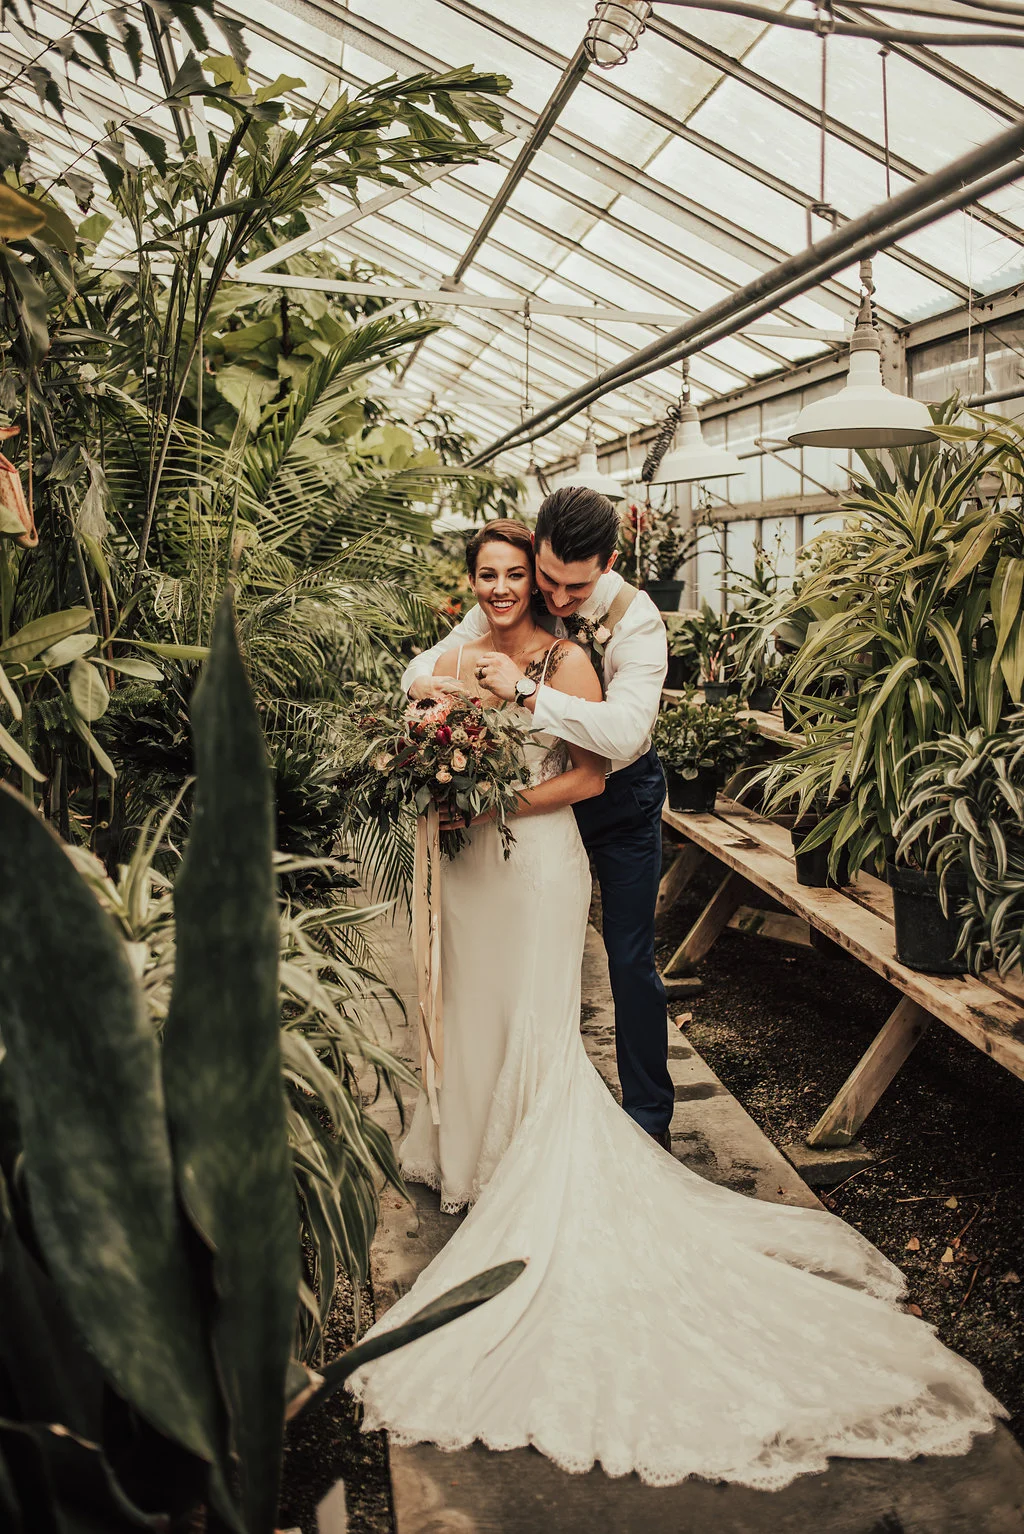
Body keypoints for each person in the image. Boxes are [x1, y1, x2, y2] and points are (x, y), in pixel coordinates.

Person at [347, 519, 1005, 1489]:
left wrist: (491, 796)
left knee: (537, 1016)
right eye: (483, 575)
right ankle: (463, 1149)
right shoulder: (463, 642)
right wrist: (436, 718)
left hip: (533, 862)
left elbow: (587, 773)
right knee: (475, 1008)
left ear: (542, 582)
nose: (498, 589)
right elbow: (411, 685)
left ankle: (524, 1157)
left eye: (513, 575)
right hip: (470, 868)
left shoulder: (569, 657)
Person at [403, 487, 675, 1150]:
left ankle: (647, 1121)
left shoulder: (637, 621)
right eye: (544, 579)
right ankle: (509, 1108)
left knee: (630, 958)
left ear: (607, 563)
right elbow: (429, 662)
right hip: (536, 809)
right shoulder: (519, 590)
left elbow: (621, 734)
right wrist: (425, 693)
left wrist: (528, 690)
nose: (554, 600)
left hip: (620, 802)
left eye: (571, 588)